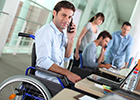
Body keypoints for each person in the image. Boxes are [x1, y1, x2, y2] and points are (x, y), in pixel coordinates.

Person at [35, 1, 81, 84]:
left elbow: (66, 57)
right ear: (54, 13)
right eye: (64, 15)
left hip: (59, 79)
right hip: (47, 80)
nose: (67, 20)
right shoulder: (46, 31)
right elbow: (43, 61)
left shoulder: (62, 34)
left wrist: (71, 39)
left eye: (69, 17)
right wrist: (67, 73)